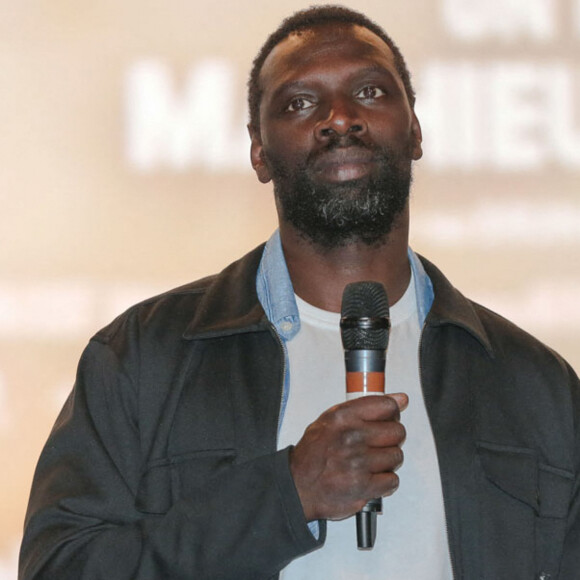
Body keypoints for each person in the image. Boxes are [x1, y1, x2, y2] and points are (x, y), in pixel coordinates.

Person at [19, 5, 579, 580]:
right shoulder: (143, 358)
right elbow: (60, 568)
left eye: (369, 91)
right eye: (300, 103)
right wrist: (283, 496)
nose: (341, 118)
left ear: (415, 131)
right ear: (259, 151)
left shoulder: (535, 384)